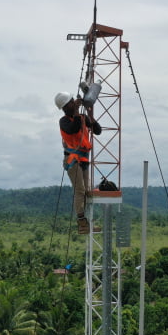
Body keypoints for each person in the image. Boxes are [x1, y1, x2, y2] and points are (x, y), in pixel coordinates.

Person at [55, 91, 102, 234]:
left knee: (87, 191)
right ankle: (82, 223)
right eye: (71, 102)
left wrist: (89, 115)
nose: (74, 103)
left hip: (83, 159)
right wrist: (77, 111)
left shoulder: (81, 117)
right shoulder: (64, 121)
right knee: (80, 190)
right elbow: (73, 128)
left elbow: (98, 131)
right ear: (65, 106)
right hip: (72, 159)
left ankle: (86, 222)